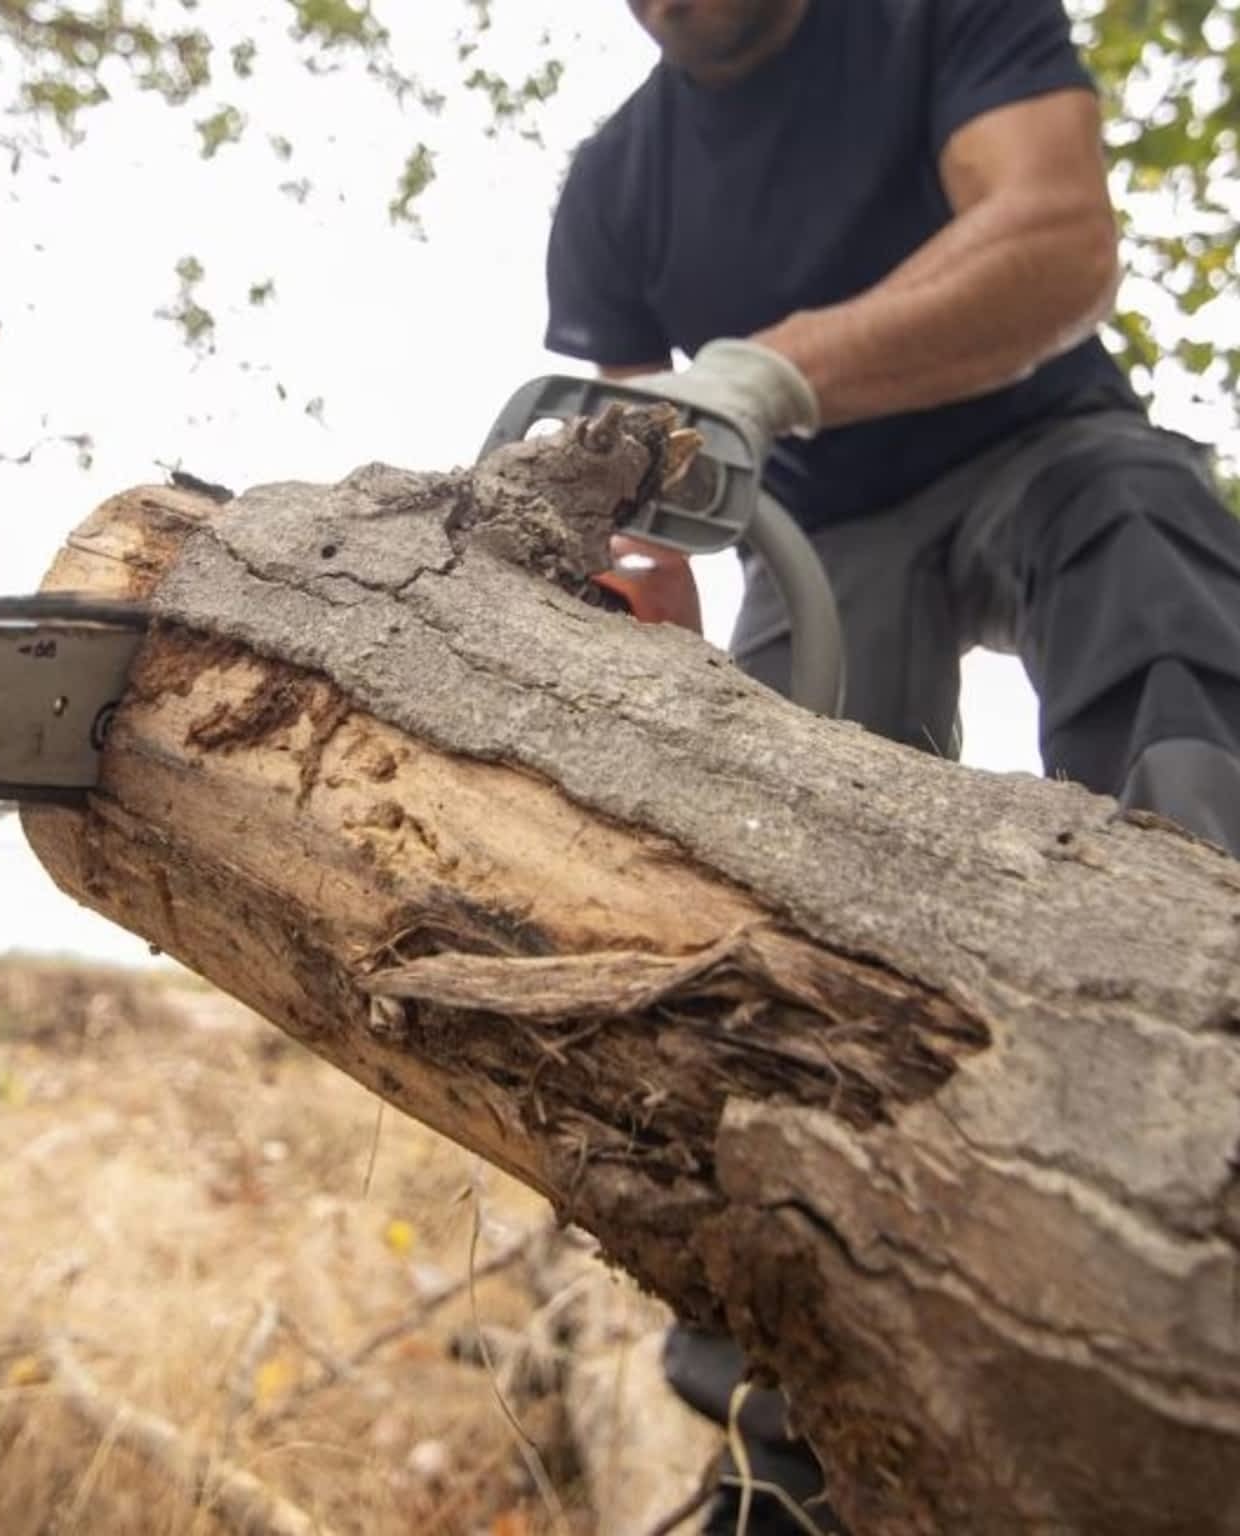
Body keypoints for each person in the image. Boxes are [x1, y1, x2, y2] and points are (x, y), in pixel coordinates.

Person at [540, 1, 1240, 1530]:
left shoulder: (944, 15)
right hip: (823, 541)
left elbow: (1057, 236)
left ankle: (1217, 985)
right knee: (768, 880)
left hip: (1044, 441)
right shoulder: (611, 189)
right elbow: (637, 478)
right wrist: (625, 629)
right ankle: (788, 1451)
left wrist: (783, 368)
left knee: (1147, 538)